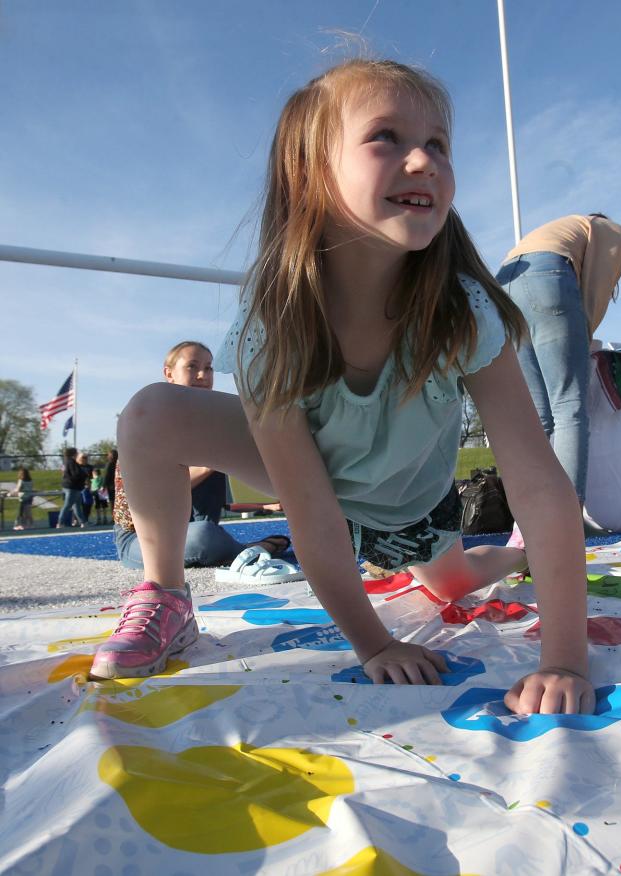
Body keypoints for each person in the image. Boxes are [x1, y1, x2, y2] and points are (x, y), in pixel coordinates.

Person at [91, 59, 592, 716]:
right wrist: (374, 643)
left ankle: (513, 557)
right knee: (151, 414)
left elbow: (536, 478)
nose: (425, 159)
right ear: (309, 174)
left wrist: (564, 658)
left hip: (415, 508)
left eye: (438, 143)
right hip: (325, 488)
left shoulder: (462, 309)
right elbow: (309, 509)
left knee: (459, 579)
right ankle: (165, 595)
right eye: (387, 136)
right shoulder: (273, 324)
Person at [495, 213, 621, 527]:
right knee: (568, 406)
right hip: (547, 273)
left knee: (538, 417)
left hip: (504, 282)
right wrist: (583, 336)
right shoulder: (610, 228)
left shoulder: (562, 228)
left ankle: (528, 521)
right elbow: (597, 285)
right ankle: (565, 524)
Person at [113, 340, 290, 569]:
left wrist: (269, 504)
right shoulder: (150, 427)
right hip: (143, 537)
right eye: (192, 366)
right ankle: (249, 549)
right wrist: (212, 463)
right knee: (204, 537)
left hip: (196, 526)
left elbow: (233, 494)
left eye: (208, 368)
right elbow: (148, 498)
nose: (202, 375)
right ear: (169, 373)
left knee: (206, 531)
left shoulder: (214, 424)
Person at [57, 447, 88, 528]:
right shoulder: (71, 462)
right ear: (74, 454)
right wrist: (84, 475)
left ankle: (83, 522)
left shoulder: (66, 462)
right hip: (72, 487)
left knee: (76, 506)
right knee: (67, 505)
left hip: (71, 486)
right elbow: (76, 474)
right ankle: (60, 522)